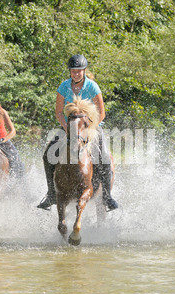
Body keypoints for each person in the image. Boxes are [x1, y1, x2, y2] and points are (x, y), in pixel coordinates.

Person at [37, 54, 119, 211]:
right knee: (48, 155)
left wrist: (89, 130)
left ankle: (108, 196)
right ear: (70, 72)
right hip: (70, 127)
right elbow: (59, 112)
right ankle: (51, 194)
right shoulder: (63, 87)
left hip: (91, 127)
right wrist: (67, 128)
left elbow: (101, 112)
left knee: (105, 157)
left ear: (84, 71)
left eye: (79, 71)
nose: (76, 74)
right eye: (73, 71)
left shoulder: (93, 87)